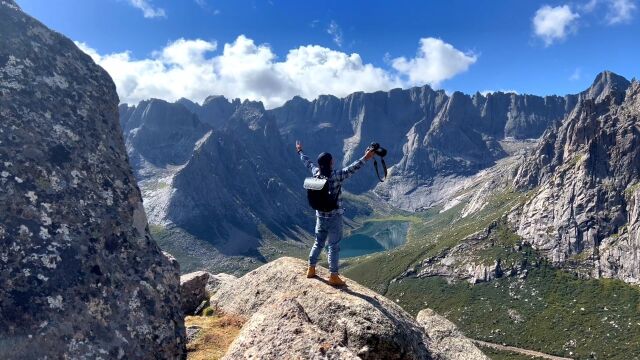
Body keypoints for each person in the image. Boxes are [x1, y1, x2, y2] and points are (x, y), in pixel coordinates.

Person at [296, 141, 375, 286]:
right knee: (333, 246)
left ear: (320, 164)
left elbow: (307, 163)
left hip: (320, 216)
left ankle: (311, 268)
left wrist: (300, 151)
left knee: (318, 242)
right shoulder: (336, 176)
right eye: (332, 160)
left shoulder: (316, 173)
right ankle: (333, 276)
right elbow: (353, 168)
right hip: (334, 217)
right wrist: (366, 157)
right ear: (330, 162)